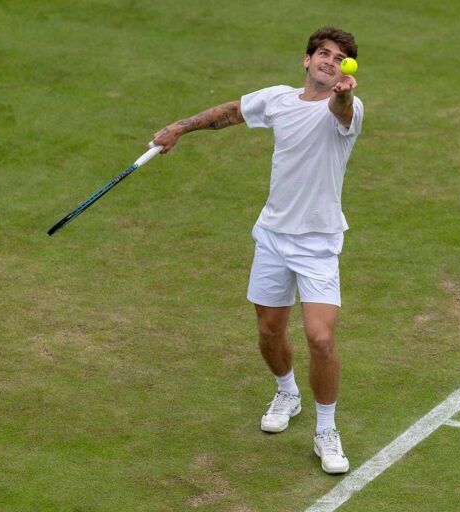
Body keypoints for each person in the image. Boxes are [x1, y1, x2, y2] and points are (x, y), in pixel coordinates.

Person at [152, 27, 363, 475]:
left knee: (321, 338)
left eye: (339, 58)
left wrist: (344, 95)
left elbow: (342, 109)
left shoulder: (345, 108)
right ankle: (287, 392)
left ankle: (327, 429)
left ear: (345, 70)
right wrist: (180, 128)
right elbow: (230, 113)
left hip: (318, 244)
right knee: (269, 331)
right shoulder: (277, 100)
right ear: (306, 61)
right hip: (272, 236)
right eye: (323, 54)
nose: (330, 61)